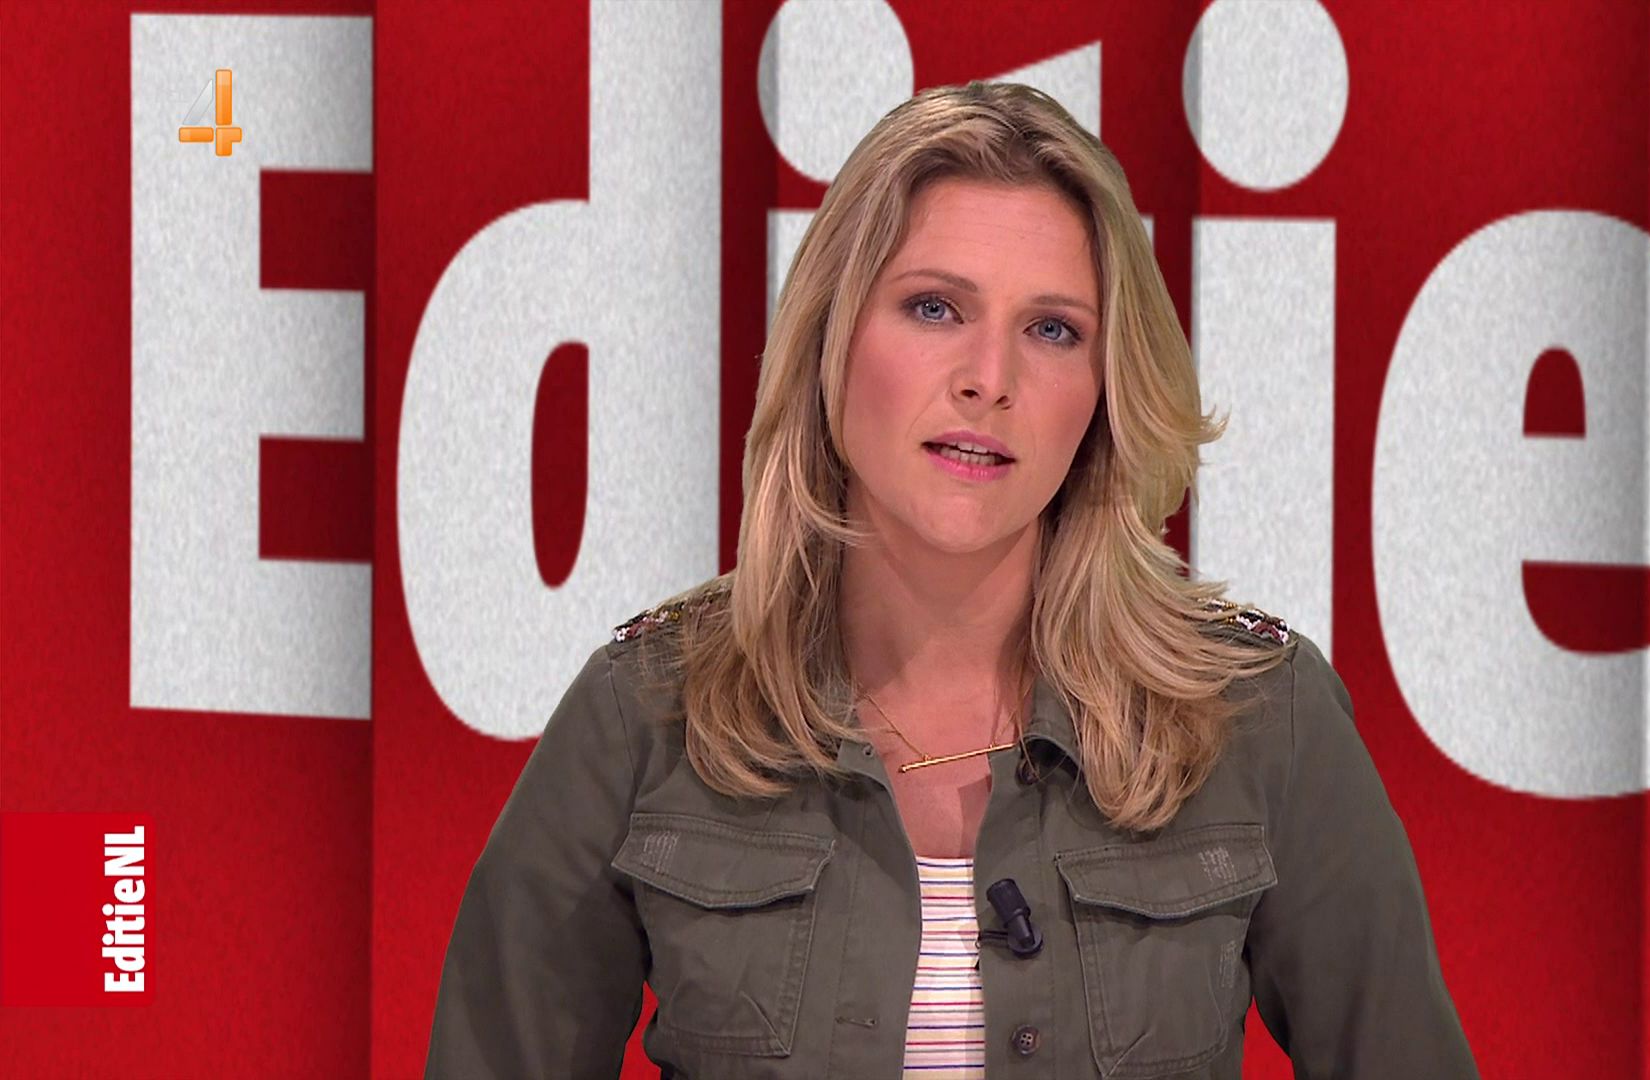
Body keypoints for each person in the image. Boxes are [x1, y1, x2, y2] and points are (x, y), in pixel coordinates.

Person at [423, 80, 1476, 1079]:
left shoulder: (1258, 717)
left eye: (1052, 330)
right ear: (832, 341)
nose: (990, 378)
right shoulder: (649, 714)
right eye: (934, 309)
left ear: (1104, 392)